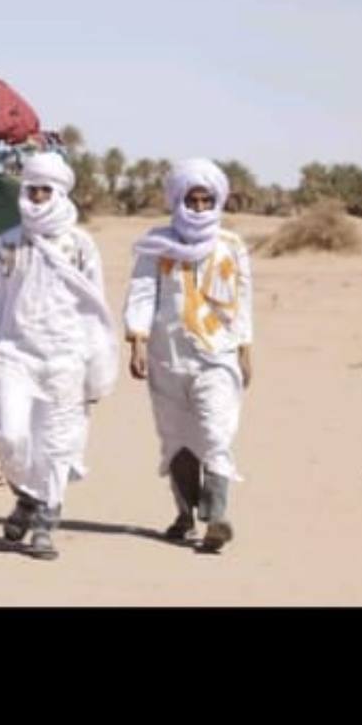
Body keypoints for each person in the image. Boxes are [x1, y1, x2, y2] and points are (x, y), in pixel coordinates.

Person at [0, 150, 119, 560]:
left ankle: (43, 522)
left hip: (66, 360)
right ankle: (27, 495)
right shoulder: (7, 244)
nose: (36, 198)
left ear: (58, 193)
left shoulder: (80, 246)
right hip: (15, 356)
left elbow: (95, 307)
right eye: (31, 190)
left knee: (55, 446)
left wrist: (95, 365)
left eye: (44, 191)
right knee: (11, 436)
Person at [124, 158, 253, 553]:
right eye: (191, 199)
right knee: (177, 441)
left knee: (216, 434)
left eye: (205, 199)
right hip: (167, 353)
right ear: (177, 200)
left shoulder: (231, 245)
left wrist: (246, 348)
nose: (198, 207)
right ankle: (185, 514)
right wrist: (138, 341)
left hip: (218, 353)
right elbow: (143, 293)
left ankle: (216, 519)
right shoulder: (157, 242)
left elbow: (243, 299)